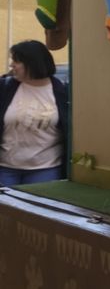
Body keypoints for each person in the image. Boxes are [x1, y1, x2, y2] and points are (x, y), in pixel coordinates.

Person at [0, 41, 69, 187]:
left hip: (46, 170)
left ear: (33, 63)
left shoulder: (63, 93)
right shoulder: (5, 88)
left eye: (17, 61)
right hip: (5, 170)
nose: (12, 65)